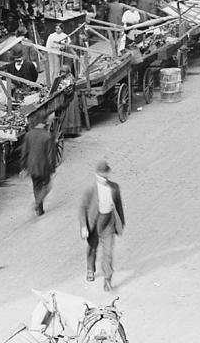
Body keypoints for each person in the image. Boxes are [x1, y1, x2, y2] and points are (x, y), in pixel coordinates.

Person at [79, 160, 125, 291]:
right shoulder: (90, 189)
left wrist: (121, 223)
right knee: (92, 248)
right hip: (94, 223)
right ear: (96, 175)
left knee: (108, 252)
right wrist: (83, 227)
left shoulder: (114, 188)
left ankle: (107, 279)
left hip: (108, 223)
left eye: (105, 175)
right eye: (101, 176)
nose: (104, 178)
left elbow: (119, 206)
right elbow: (82, 208)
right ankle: (90, 269)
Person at [21, 114, 56, 216]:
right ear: (43, 124)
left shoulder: (28, 135)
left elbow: (24, 152)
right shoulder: (47, 136)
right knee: (47, 185)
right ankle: (37, 204)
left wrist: (23, 167)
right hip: (44, 167)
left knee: (36, 186)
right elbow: (51, 155)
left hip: (32, 166)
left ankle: (39, 209)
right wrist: (52, 169)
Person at [50, 62, 80, 136]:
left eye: (64, 72)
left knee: (70, 114)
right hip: (63, 96)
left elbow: (68, 91)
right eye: (61, 71)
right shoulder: (60, 79)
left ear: (67, 72)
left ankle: (70, 131)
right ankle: (62, 130)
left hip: (70, 98)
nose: (62, 73)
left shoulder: (70, 79)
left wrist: (59, 91)